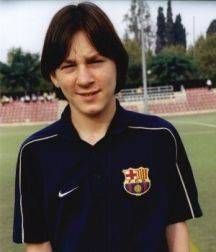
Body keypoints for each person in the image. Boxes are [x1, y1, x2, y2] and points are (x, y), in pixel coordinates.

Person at [13, 2, 202, 252]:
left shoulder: (161, 138)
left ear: (116, 63)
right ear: (54, 76)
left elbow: (175, 227)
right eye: (69, 66)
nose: (84, 79)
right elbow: (38, 245)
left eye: (95, 61)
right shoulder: (34, 153)